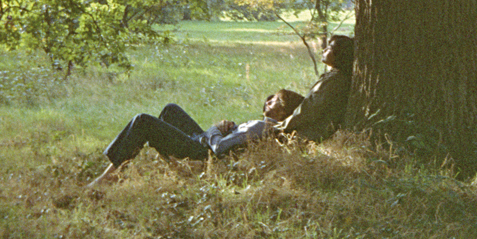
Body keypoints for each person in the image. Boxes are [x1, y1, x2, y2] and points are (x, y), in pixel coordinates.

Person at [87, 88, 304, 187]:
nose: (267, 102)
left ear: (283, 111)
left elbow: (218, 148)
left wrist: (215, 129)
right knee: (170, 110)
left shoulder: (260, 126)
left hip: (202, 151)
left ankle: (110, 174)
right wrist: (231, 128)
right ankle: (177, 166)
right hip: (204, 141)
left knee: (143, 120)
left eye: (274, 101)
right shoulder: (266, 127)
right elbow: (236, 142)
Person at [277, 34, 354, 142]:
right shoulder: (334, 77)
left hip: (311, 135)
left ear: (340, 54)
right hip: (310, 132)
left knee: (257, 127)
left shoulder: (335, 80)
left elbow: (310, 110)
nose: (324, 50)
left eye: (330, 48)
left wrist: (282, 126)